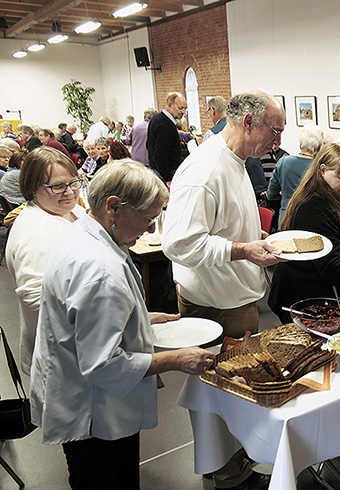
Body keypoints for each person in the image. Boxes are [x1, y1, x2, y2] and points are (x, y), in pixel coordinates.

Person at [29, 160, 214, 490]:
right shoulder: (101, 271)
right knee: (107, 479)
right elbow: (102, 365)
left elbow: (84, 319)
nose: (152, 229)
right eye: (148, 218)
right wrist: (176, 359)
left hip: (72, 383)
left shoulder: (81, 232)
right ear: (114, 207)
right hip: (94, 410)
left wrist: (138, 319)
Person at [163, 89, 285, 341]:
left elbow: (221, 222)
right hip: (215, 306)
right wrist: (243, 249)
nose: (279, 142)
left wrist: (251, 235)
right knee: (223, 377)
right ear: (248, 122)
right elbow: (179, 244)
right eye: (275, 131)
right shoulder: (205, 170)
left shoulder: (235, 160)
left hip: (232, 300)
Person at [269, 142, 340, 323]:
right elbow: (331, 261)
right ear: (322, 170)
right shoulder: (312, 206)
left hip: (329, 288)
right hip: (302, 292)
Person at [5, 147, 87, 375]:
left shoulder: (70, 211)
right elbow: (35, 298)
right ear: (32, 188)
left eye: (73, 182)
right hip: (61, 352)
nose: (70, 192)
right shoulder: (36, 234)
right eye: (58, 186)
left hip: (81, 342)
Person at [266, 124, 326, 221]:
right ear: (319, 147)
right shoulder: (320, 169)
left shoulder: (283, 162)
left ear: (300, 145)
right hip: (311, 220)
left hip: (286, 218)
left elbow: (271, 195)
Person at [147, 92, 187, 181]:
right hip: (166, 173)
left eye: (184, 108)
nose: (183, 112)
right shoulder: (166, 124)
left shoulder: (156, 118)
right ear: (169, 105)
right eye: (180, 108)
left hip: (156, 171)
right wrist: (167, 177)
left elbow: (148, 145)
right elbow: (160, 154)